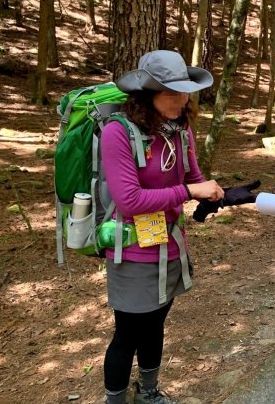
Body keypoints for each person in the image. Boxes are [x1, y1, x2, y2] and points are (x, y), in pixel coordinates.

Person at [100, 50, 225, 404]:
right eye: (171, 93)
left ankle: (149, 393)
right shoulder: (118, 133)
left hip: (170, 246)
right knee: (127, 334)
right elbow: (130, 201)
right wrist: (189, 191)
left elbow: (195, 179)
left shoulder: (179, 132)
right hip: (133, 250)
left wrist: (224, 195)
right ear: (146, 94)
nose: (182, 100)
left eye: (184, 91)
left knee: (155, 325)